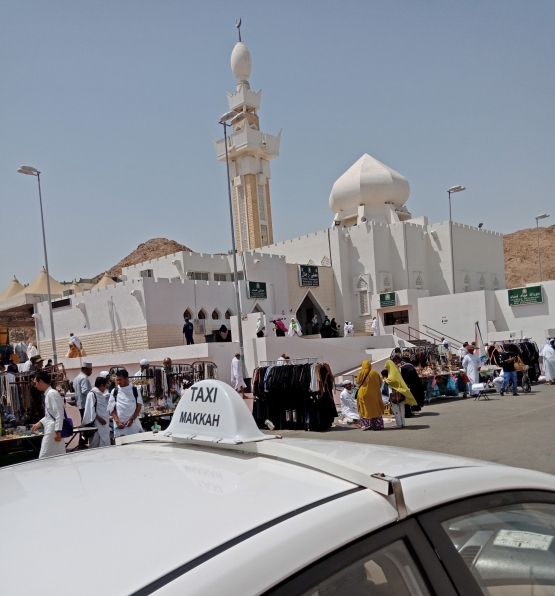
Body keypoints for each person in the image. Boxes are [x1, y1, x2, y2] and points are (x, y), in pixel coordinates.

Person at [31, 371, 66, 459]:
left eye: (35, 382)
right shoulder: (49, 394)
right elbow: (50, 414)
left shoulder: (52, 394)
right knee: (57, 455)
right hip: (52, 428)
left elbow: (59, 413)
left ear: (41, 381)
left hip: (53, 429)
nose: (35, 385)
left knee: (44, 456)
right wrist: (40, 423)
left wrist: (57, 431)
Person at [383, 360, 418, 429]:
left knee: (396, 409)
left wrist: (385, 380)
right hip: (401, 393)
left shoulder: (392, 372)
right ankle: (402, 423)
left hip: (395, 394)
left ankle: (399, 424)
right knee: (402, 409)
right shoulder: (396, 370)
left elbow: (392, 380)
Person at [108, 369, 143, 438]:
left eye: (120, 380)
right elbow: (111, 408)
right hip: (119, 426)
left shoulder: (135, 390)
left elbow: (139, 406)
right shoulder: (114, 391)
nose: (118, 382)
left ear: (126, 379)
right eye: (117, 380)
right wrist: (117, 422)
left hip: (133, 424)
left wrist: (132, 420)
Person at [83, 377, 111, 448]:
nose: (105, 389)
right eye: (105, 386)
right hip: (96, 423)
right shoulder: (92, 394)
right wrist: (100, 419)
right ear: (102, 385)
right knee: (96, 445)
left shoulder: (100, 394)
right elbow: (90, 410)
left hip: (104, 424)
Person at [355, 361, 384, 430]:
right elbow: (380, 382)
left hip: (363, 394)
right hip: (374, 394)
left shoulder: (360, 372)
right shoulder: (374, 372)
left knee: (365, 409)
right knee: (375, 408)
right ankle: (377, 425)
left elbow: (358, 382)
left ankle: (367, 425)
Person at [73, 362, 93, 446]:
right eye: (90, 370)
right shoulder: (84, 378)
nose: (91, 372)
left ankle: (82, 442)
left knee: (85, 423)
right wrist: (93, 394)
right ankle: (82, 442)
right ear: (85, 369)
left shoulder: (77, 378)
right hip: (85, 404)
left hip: (80, 404)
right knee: (87, 424)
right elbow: (85, 390)